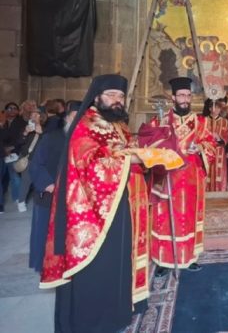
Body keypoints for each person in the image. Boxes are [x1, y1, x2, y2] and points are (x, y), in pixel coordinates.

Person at [40, 74, 150, 333]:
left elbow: (126, 150)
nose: (117, 100)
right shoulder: (85, 124)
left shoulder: (119, 125)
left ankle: (116, 314)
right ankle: (91, 323)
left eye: (120, 96)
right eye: (111, 95)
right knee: (97, 265)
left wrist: (143, 155)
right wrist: (132, 159)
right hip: (91, 209)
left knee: (118, 260)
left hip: (119, 203)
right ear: (97, 96)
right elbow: (89, 162)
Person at [148, 77, 216, 277]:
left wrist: (200, 148)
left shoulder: (201, 122)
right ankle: (164, 259)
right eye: (181, 95)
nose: (185, 99)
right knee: (165, 219)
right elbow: (149, 146)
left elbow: (211, 144)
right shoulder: (160, 120)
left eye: (188, 95)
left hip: (191, 180)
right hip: (167, 179)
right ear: (173, 97)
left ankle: (189, 257)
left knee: (189, 218)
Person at [28, 101, 80, 272]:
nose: (78, 120)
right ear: (67, 118)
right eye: (75, 116)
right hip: (50, 194)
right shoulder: (51, 137)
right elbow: (36, 164)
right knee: (45, 233)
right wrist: (49, 185)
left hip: (73, 197)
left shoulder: (84, 141)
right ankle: (44, 268)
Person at [203, 98, 228, 192]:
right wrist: (209, 137)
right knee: (207, 170)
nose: (216, 110)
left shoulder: (224, 121)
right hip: (207, 150)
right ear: (210, 108)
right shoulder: (204, 120)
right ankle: (206, 191)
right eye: (214, 107)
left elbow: (227, 134)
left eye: (218, 108)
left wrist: (219, 138)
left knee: (219, 172)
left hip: (219, 150)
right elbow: (200, 134)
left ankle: (220, 191)